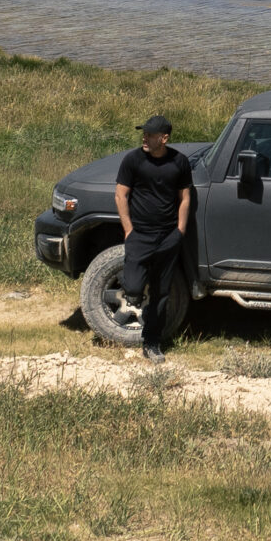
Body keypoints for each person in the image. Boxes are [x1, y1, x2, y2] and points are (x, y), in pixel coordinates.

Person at [113, 114, 195, 363]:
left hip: (168, 236)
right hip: (140, 234)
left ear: (164, 138)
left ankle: (151, 343)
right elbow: (120, 195)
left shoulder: (179, 162)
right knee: (135, 287)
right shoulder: (133, 160)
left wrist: (179, 230)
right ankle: (132, 284)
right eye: (144, 133)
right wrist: (128, 229)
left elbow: (185, 197)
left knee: (161, 293)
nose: (144, 138)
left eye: (149, 134)